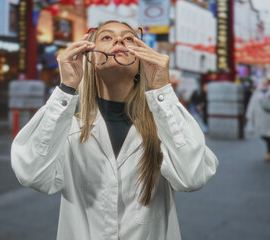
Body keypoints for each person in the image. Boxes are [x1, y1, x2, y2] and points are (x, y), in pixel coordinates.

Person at [11, 21, 218, 240]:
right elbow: (30, 173)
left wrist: (162, 90)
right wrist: (66, 89)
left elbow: (193, 177)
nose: (119, 40)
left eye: (129, 38)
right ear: (90, 58)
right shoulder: (68, 127)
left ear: (140, 60)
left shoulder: (164, 124)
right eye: (107, 37)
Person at [245, 79, 270, 162]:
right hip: (259, 117)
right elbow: (252, 103)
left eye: (267, 83)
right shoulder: (257, 92)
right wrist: (249, 114)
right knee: (261, 134)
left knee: (269, 135)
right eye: (264, 82)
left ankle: (269, 152)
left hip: (269, 117)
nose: (265, 84)